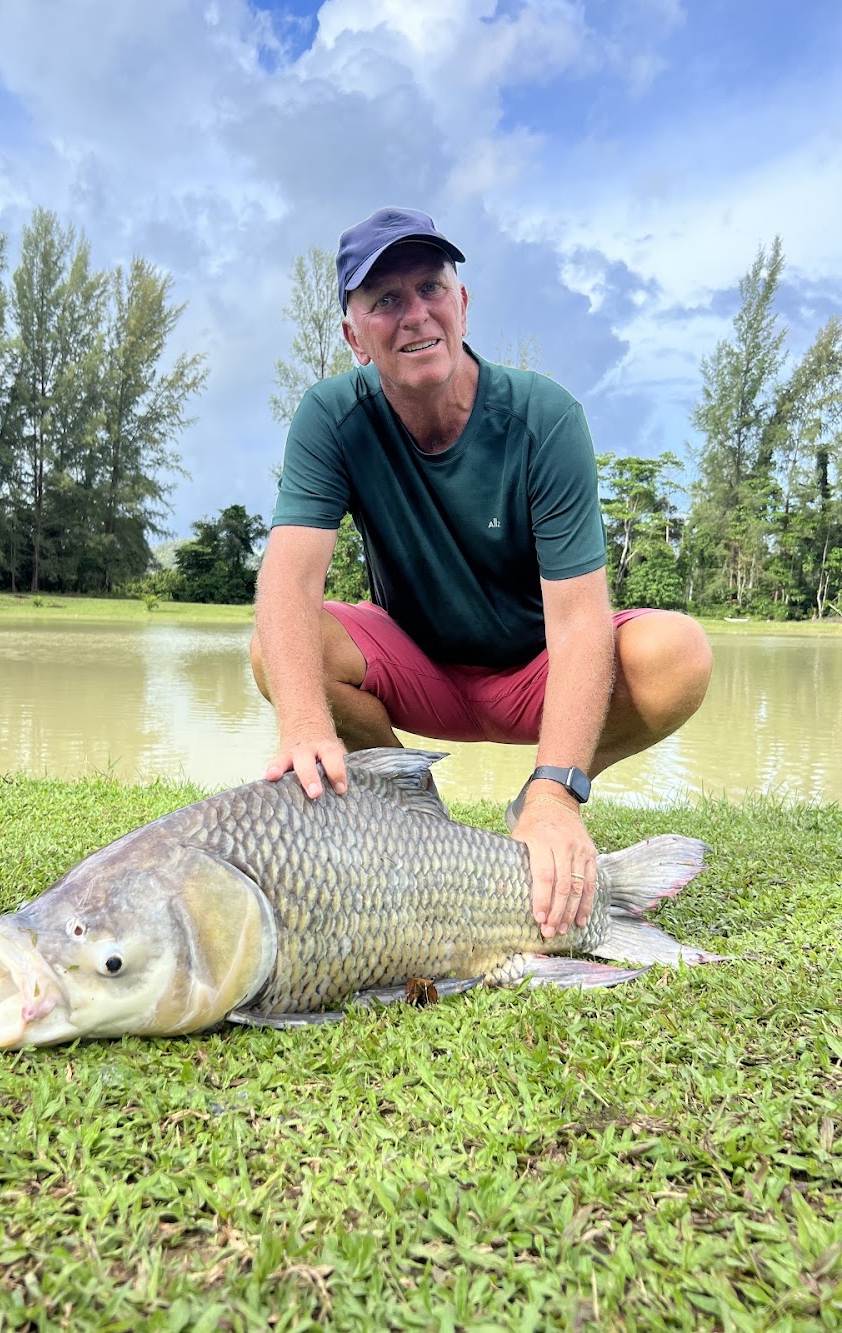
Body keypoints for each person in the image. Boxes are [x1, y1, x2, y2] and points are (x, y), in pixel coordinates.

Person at [251, 206, 712, 943]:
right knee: (277, 648)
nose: (415, 315)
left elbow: (579, 619)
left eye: (431, 287)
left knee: (679, 653)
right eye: (385, 301)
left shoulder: (545, 416)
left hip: (539, 672)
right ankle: (412, 822)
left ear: (463, 302)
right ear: (354, 336)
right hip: (419, 665)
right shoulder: (329, 415)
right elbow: (288, 581)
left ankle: (540, 797)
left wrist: (557, 791)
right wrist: (303, 723)